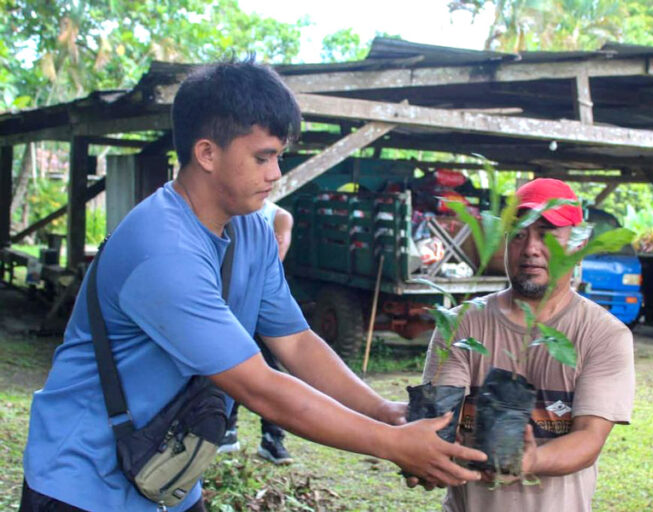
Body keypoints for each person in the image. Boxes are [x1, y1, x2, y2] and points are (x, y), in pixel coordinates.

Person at [19, 60, 486, 512]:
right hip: (82, 481)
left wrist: (383, 411)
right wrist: (393, 445)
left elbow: (297, 343)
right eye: (262, 157)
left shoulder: (251, 229)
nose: (275, 173)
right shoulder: (163, 250)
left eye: (278, 157)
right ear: (206, 153)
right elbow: (259, 387)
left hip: (166, 475)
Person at [420, 178, 635, 511]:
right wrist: (428, 451)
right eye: (519, 234)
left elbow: (590, 439)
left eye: (548, 234)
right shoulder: (461, 323)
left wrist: (531, 460)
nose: (531, 248)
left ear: (578, 245)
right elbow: (438, 421)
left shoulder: (604, 334)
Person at [218, 199, 296, 464]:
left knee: (268, 370)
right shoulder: (225, 211)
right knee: (229, 367)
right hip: (228, 306)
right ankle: (227, 429)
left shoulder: (279, 216)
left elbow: (275, 258)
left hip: (259, 306)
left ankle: (273, 439)